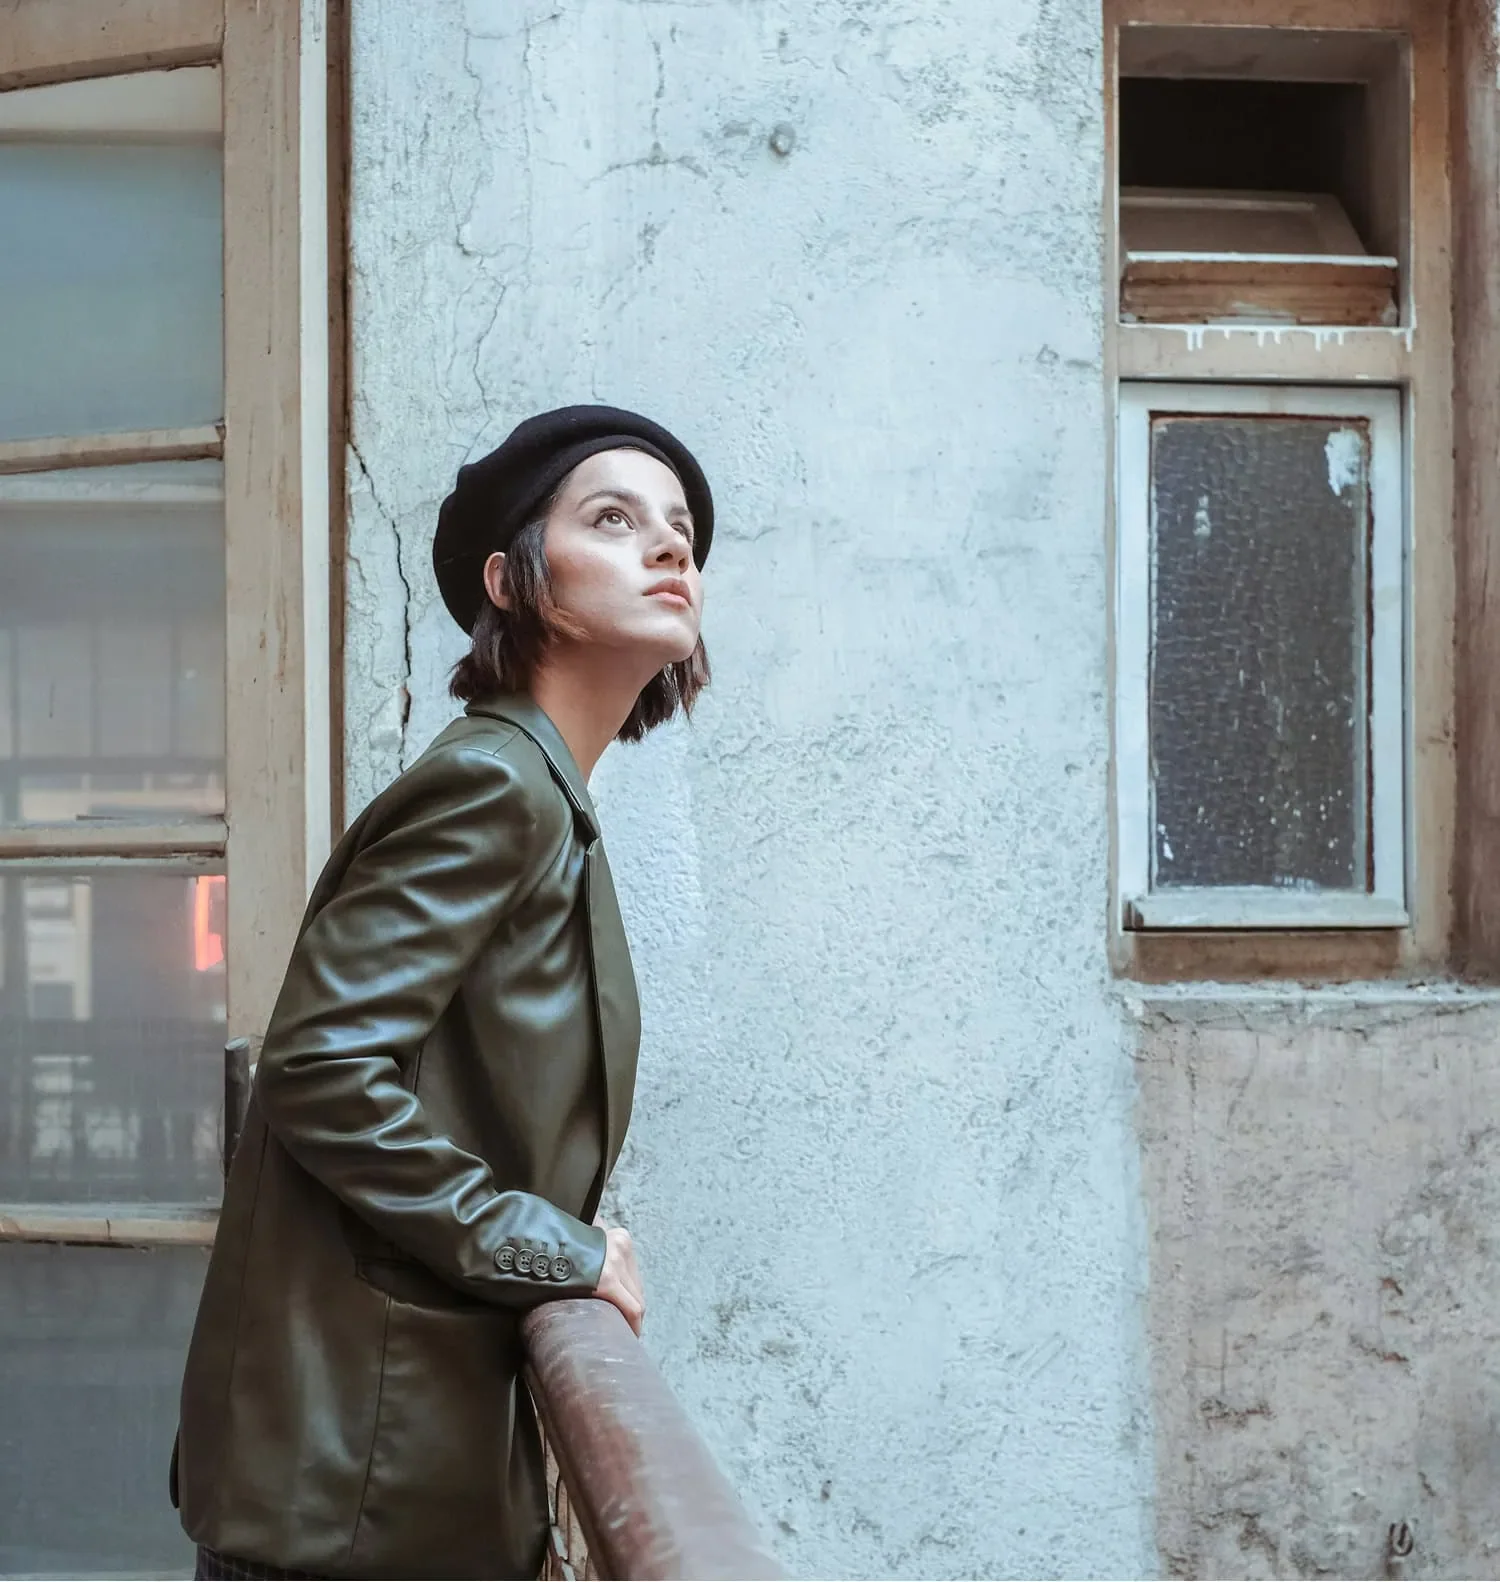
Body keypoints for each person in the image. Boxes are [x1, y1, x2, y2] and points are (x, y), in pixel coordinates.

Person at [171, 405, 714, 1580]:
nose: (669, 546)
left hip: (392, 1478)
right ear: (511, 581)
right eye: (613, 519)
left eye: (679, 528)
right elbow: (320, 1070)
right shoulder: (494, 786)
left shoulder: (547, 797)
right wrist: (549, 1243)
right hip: (346, 1502)